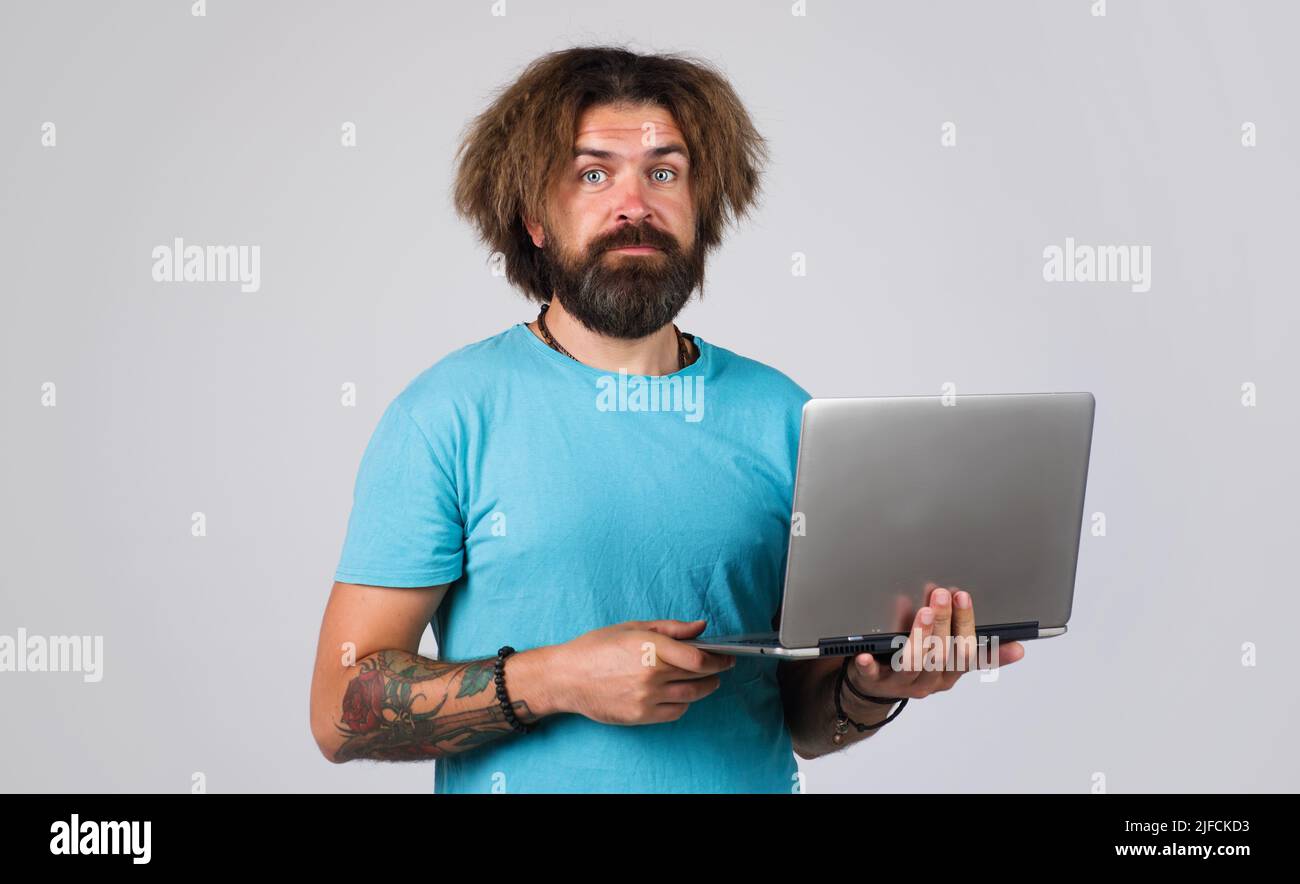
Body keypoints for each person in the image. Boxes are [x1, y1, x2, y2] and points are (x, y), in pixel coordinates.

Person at [308, 45, 1024, 793]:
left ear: (699, 205)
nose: (635, 205)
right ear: (534, 222)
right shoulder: (445, 416)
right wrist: (555, 680)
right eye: (593, 174)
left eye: (664, 172)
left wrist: (881, 686)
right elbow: (338, 709)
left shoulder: (786, 415)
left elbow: (808, 722)